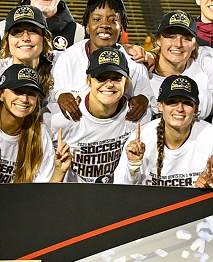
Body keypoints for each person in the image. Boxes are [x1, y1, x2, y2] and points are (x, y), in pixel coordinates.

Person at [50, 47, 144, 183]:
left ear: (126, 82)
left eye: (117, 78)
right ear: (89, 81)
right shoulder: (61, 117)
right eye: (101, 78)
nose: (109, 84)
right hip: (70, 197)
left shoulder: (137, 115)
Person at [52, 0, 154, 111]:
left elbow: (149, 101)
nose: (104, 25)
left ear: (121, 29)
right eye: (97, 19)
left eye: (112, 20)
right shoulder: (68, 58)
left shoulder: (134, 63)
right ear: (87, 27)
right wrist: (59, 95)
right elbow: (54, 95)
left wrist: (144, 99)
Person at [116, 75, 213, 185]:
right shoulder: (141, 138)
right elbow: (122, 192)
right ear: (160, 106)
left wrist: (209, 186)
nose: (180, 109)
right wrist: (133, 167)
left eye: (187, 103)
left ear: (196, 109)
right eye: (172, 101)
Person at [147, 9, 213, 122]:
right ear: (158, 40)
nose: (178, 44)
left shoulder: (203, 61)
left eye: (186, 39)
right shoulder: (142, 72)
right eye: (171, 37)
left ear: (194, 45)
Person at [0, 64, 65, 184]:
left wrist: (59, 172)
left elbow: (44, 193)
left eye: (32, 93)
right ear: (1, 95)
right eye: (18, 91)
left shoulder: (38, 134)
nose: (25, 99)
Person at [0, 5, 60, 107]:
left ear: (44, 38)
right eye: (17, 32)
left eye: (33, 31)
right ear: (7, 40)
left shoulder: (59, 66)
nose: (25, 38)